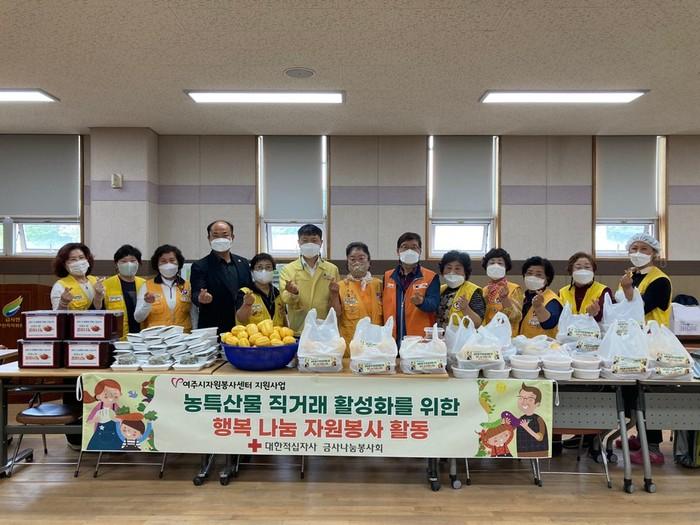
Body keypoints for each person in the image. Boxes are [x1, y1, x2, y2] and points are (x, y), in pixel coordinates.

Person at [618, 233, 672, 465]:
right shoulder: (630, 276)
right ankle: (640, 437)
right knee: (632, 391)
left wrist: (628, 289)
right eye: (634, 248)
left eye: (644, 249)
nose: (638, 253)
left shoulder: (660, 280)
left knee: (647, 394)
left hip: (651, 343)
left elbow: (640, 307)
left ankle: (652, 447)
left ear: (654, 254)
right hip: (630, 341)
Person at [191, 220, 252, 334]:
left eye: (225, 235)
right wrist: (201, 298)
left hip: (242, 326)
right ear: (209, 238)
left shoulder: (243, 263)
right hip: (213, 327)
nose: (220, 239)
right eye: (215, 236)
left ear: (232, 237)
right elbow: (195, 292)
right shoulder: (200, 265)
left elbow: (249, 290)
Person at [279, 224, 340, 336]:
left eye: (314, 240)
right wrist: (293, 293)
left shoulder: (332, 269)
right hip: (299, 329)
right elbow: (285, 298)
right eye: (305, 240)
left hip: (325, 329)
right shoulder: (288, 269)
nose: (309, 244)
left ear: (321, 243)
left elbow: (336, 298)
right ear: (299, 243)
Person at [382, 232, 440, 344]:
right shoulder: (387, 276)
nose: (409, 251)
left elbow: (434, 304)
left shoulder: (431, 277)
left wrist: (422, 302)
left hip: (419, 340)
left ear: (420, 251)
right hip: (391, 339)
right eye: (405, 247)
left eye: (414, 247)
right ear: (398, 251)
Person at [330, 242, 383, 355]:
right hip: (351, 344)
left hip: (376, 343)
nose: (357, 262)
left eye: (361, 258)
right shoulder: (340, 286)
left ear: (369, 262)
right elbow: (336, 313)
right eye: (352, 259)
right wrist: (334, 294)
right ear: (347, 263)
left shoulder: (379, 285)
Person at [134, 244, 192, 331]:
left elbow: (194, 315)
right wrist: (147, 304)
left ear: (178, 262)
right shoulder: (147, 286)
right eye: (163, 261)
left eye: (172, 260)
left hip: (183, 336)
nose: (168, 264)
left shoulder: (187, 285)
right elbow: (138, 318)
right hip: (156, 337)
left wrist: (196, 334)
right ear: (157, 264)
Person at [103, 244, 146, 338]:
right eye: (124, 261)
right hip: (118, 339)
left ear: (139, 263)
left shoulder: (145, 284)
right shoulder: (106, 285)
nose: (129, 264)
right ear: (116, 264)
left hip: (142, 338)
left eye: (133, 261)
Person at [559, 252, 612, 322]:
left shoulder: (604, 290)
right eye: (578, 268)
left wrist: (594, 313)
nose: (583, 271)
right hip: (568, 328)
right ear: (571, 271)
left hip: (595, 328)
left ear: (593, 271)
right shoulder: (562, 292)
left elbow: (605, 316)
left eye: (587, 267)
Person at [436, 250, 484, 329]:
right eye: (449, 268)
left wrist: (466, 309)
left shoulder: (473, 291)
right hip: (439, 335)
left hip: (462, 336)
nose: (452, 272)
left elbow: (478, 324)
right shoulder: (440, 290)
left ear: (465, 271)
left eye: (457, 268)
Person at [236, 253, 286, 327]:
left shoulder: (278, 294)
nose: (264, 271)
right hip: (252, 334)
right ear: (252, 271)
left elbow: (284, 320)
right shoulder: (245, 293)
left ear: (273, 270)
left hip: (276, 334)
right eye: (259, 267)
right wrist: (247, 305)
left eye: (268, 267)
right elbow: (241, 319)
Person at [50, 242, 104, 310]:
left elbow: (99, 310)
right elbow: (57, 315)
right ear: (64, 264)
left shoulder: (95, 280)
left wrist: (99, 296)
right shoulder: (60, 286)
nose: (79, 262)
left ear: (87, 260)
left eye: (81, 258)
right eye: (73, 259)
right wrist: (63, 303)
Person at [481, 248, 523, 336]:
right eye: (492, 263)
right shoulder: (484, 290)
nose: (496, 266)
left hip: (507, 336)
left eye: (500, 263)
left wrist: (505, 299)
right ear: (486, 267)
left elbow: (516, 317)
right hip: (488, 336)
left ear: (506, 267)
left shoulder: (514, 289)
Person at [519, 256, 562, 338]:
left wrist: (539, 307)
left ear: (547, 279)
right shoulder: (523, 298)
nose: (533, 277)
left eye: (538, 274)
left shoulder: (552, 300)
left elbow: (549, 324)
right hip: (521, 344)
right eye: (529, 273)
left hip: (543, 345)